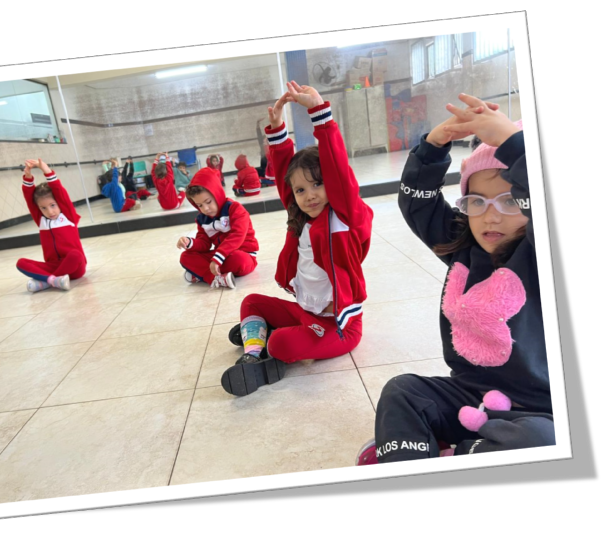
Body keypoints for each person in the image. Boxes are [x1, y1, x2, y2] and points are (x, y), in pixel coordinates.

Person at [356, 93, 554, 465]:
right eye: (477, 201)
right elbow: (419, 204)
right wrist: (432, 148)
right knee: (402, 392)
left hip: (541, 411)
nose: (490, 216)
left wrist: (514, 144)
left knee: (541, 442)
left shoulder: (539, 254)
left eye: (510, 201)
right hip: (470, 397)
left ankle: (444, 452)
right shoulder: (464, 246)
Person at [220, 81, 374, 397]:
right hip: (306, 312)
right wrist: (277, 131)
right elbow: (284, 179)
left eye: (318, 184)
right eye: (301, 190)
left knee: (281, 343)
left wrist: (320, 115)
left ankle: (262, 340)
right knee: (251, 302)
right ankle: (253, 352)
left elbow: (340, 173)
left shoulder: (345, 219)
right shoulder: (300, 219)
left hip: (339, 326)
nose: (309, 195)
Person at [177, 167, 259, 289]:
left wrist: (218, 258)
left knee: (238, 259)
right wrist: (190, 243)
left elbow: (237, 235)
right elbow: (204, 243)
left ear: (217, 194)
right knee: (185, 257)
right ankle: (215, 278)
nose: (205, 209)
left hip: (243, 254)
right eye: (199, 205)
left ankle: (201, 274)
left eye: (208, 202)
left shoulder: (235, 209)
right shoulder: (202, 219)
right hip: (219, 256)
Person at [16, 158, 87, 292]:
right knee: (21, 263)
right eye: (43, 208)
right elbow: (29, 198)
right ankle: (54, 280)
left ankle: (47, 281)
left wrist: (46, 170)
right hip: (53, 266)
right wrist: (28, 177)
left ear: (59, 203)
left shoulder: (69, 217)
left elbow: (59, 192)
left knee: (76, 255)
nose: (50, 212)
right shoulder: (41, 220)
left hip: (75, 268)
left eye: (53, 205)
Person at [255, 117, 276, 187]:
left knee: (263, 173)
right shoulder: (262, 146)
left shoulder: (271, 146)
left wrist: (273, 122)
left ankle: (265, 181)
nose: (265, 141)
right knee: (255, 171)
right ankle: (263, 181)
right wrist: (257, 124)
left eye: (266, 140)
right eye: (264, 140)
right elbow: (259, 135)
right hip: (264, 164)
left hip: (269, 167)